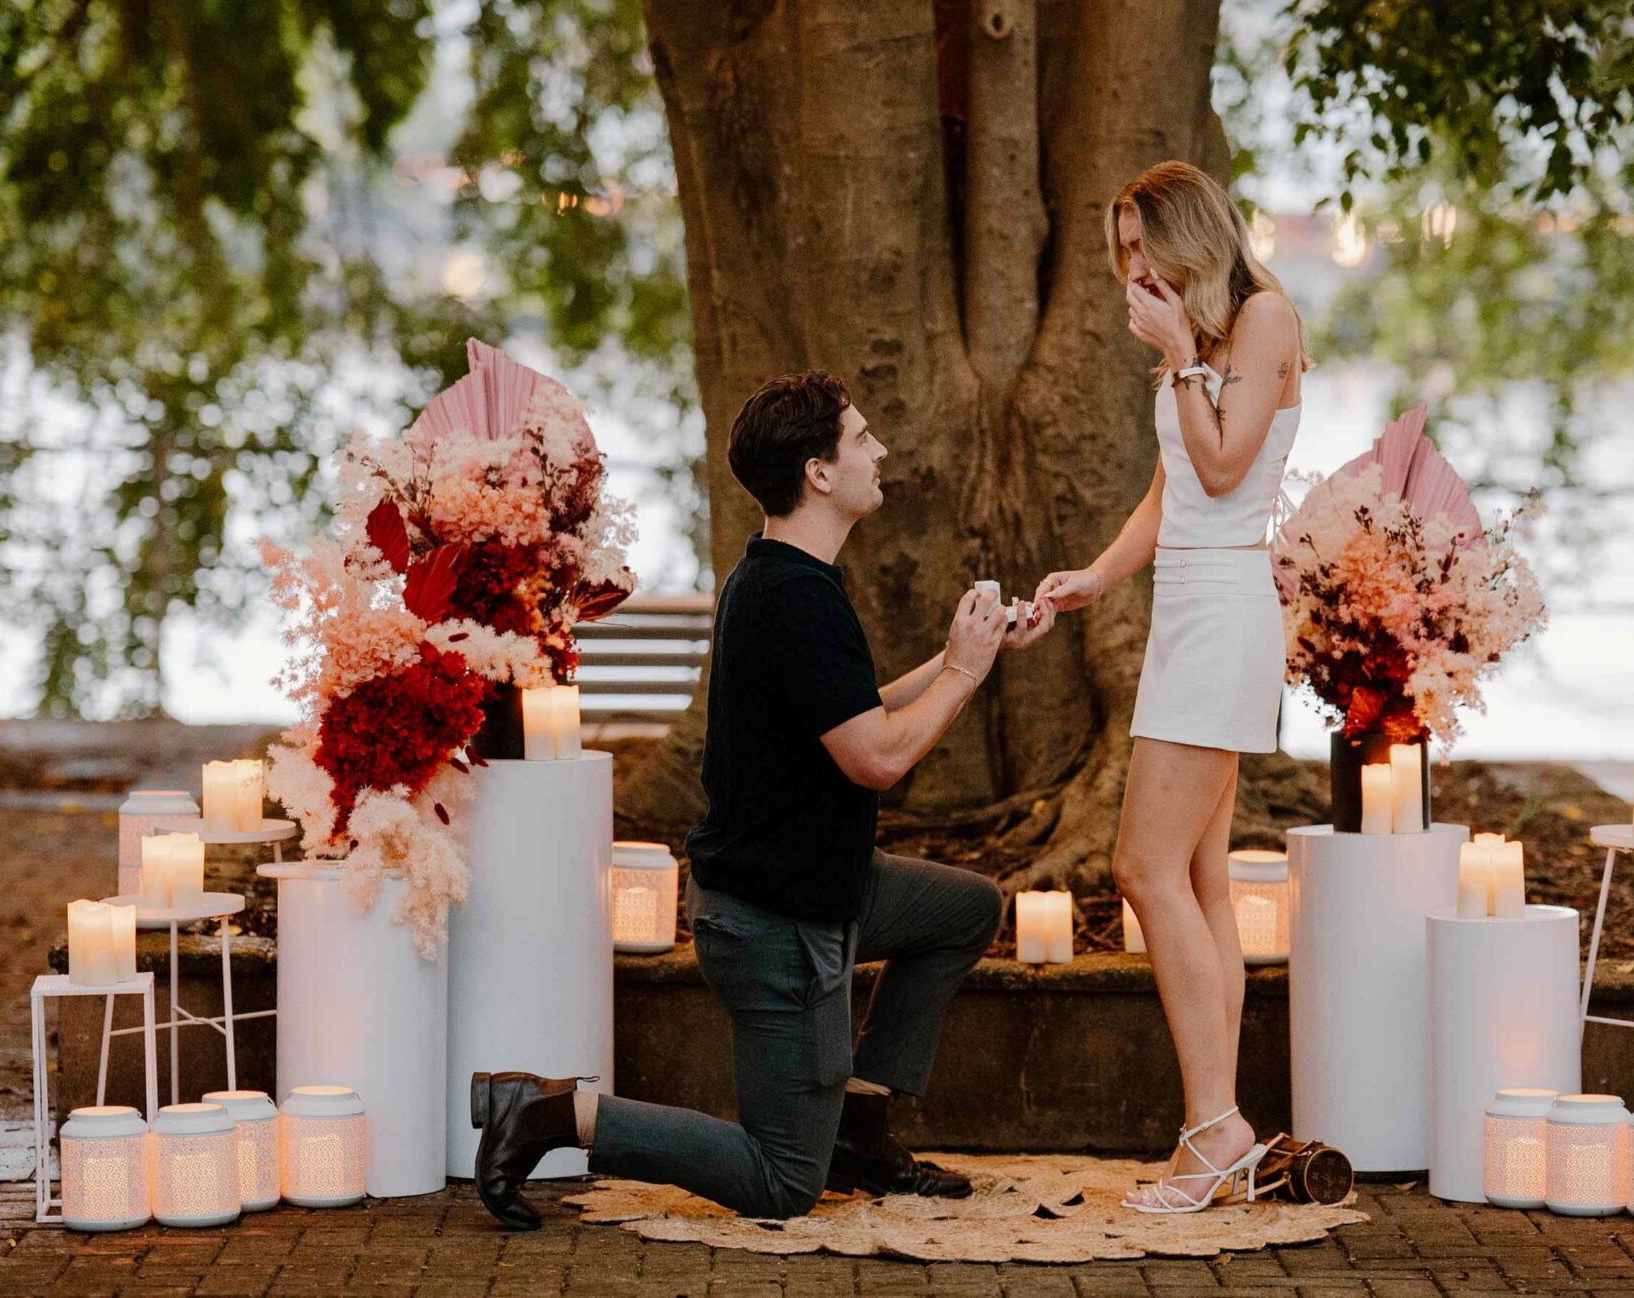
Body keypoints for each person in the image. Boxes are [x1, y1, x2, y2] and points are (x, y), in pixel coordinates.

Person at [471, 371, 1057, 1229]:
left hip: (825, 888)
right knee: (784, 1182)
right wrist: (964, 674)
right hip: (777, 927)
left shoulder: (787, 577)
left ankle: (858, 1129)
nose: (880, 450)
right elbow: (877, 759)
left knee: (964, 909)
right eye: (861, 438)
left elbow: (856, 715)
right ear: (819, 472)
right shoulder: (792, 597)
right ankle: (550, 1112)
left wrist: (969, 654)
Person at [1034, 161, 1306, 1213]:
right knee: (1196, 880)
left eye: (1142, 245)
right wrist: (1096, 577)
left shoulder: (1262, 320)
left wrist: (1185, 355)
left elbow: (1230, 469)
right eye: (1121, 251)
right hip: (1183, 613)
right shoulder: (1195, 349)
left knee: (1139, 866)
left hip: (1228, 613)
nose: (1130, 268)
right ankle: (1217, 1122)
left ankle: (1215, 1127)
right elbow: (1171, 486)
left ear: (1191, 234)